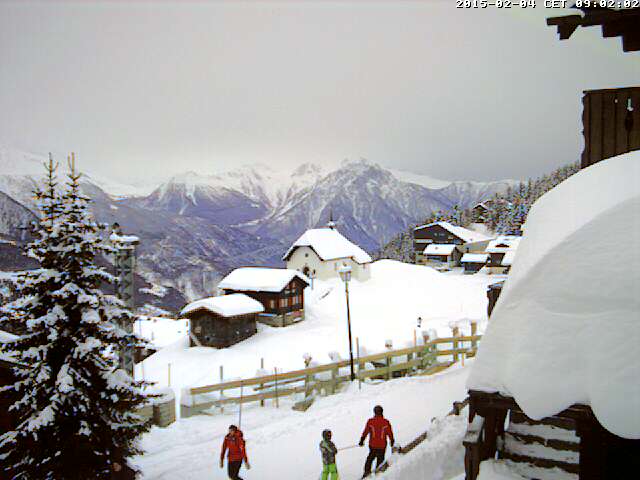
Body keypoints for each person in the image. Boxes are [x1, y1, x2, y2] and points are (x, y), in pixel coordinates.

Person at [358, 405, 394, 478]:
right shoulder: (386, 422)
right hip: (382, 445)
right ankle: (378, 474)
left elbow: (366, 431)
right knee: (380, 459)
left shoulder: (370, 421)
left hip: (373, 445)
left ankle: (367, 472)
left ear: (374, 412)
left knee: (370, 458)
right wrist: (392, 440)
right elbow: (390, 433)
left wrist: (362, 440)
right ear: (382, 412)